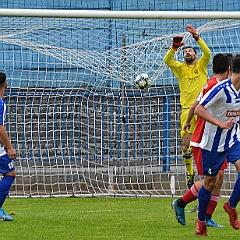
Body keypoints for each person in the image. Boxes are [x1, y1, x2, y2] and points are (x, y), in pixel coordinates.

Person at [171, 53, 232, 228]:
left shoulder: (218, 85)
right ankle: (181, 203)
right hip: (204, 140)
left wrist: (188, 122)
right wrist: (190, 122)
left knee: (218, 179)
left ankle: (208, 216)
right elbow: (197, 106)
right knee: (210, 180)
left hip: (218, 140)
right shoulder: (214, 86)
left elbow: (194, 105)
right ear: (229, 70)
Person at [194, 54, 240, 236]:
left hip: (232, 140)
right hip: (213, 144)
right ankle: (201, 220)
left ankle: (231, 205)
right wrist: (219, 123)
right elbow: (199, 108)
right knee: (210, 183)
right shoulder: (221, 89)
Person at [164, 24, 211, 189]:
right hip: (186, 111)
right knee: (186, 145)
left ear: (196, 55)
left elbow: (208, 53)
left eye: (190, 51)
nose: (187, 53)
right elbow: (167, 60)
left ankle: (204, 176)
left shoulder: (202, 66)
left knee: (202, 146)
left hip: (203, 110)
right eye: (185, 52)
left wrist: (197, 37)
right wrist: (174, 48)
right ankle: (190, 173)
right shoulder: (180, 69)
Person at [0, 72, 17, 221]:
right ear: (6, 85)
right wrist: (9, 147)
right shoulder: (0, 103)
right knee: (10, 173)